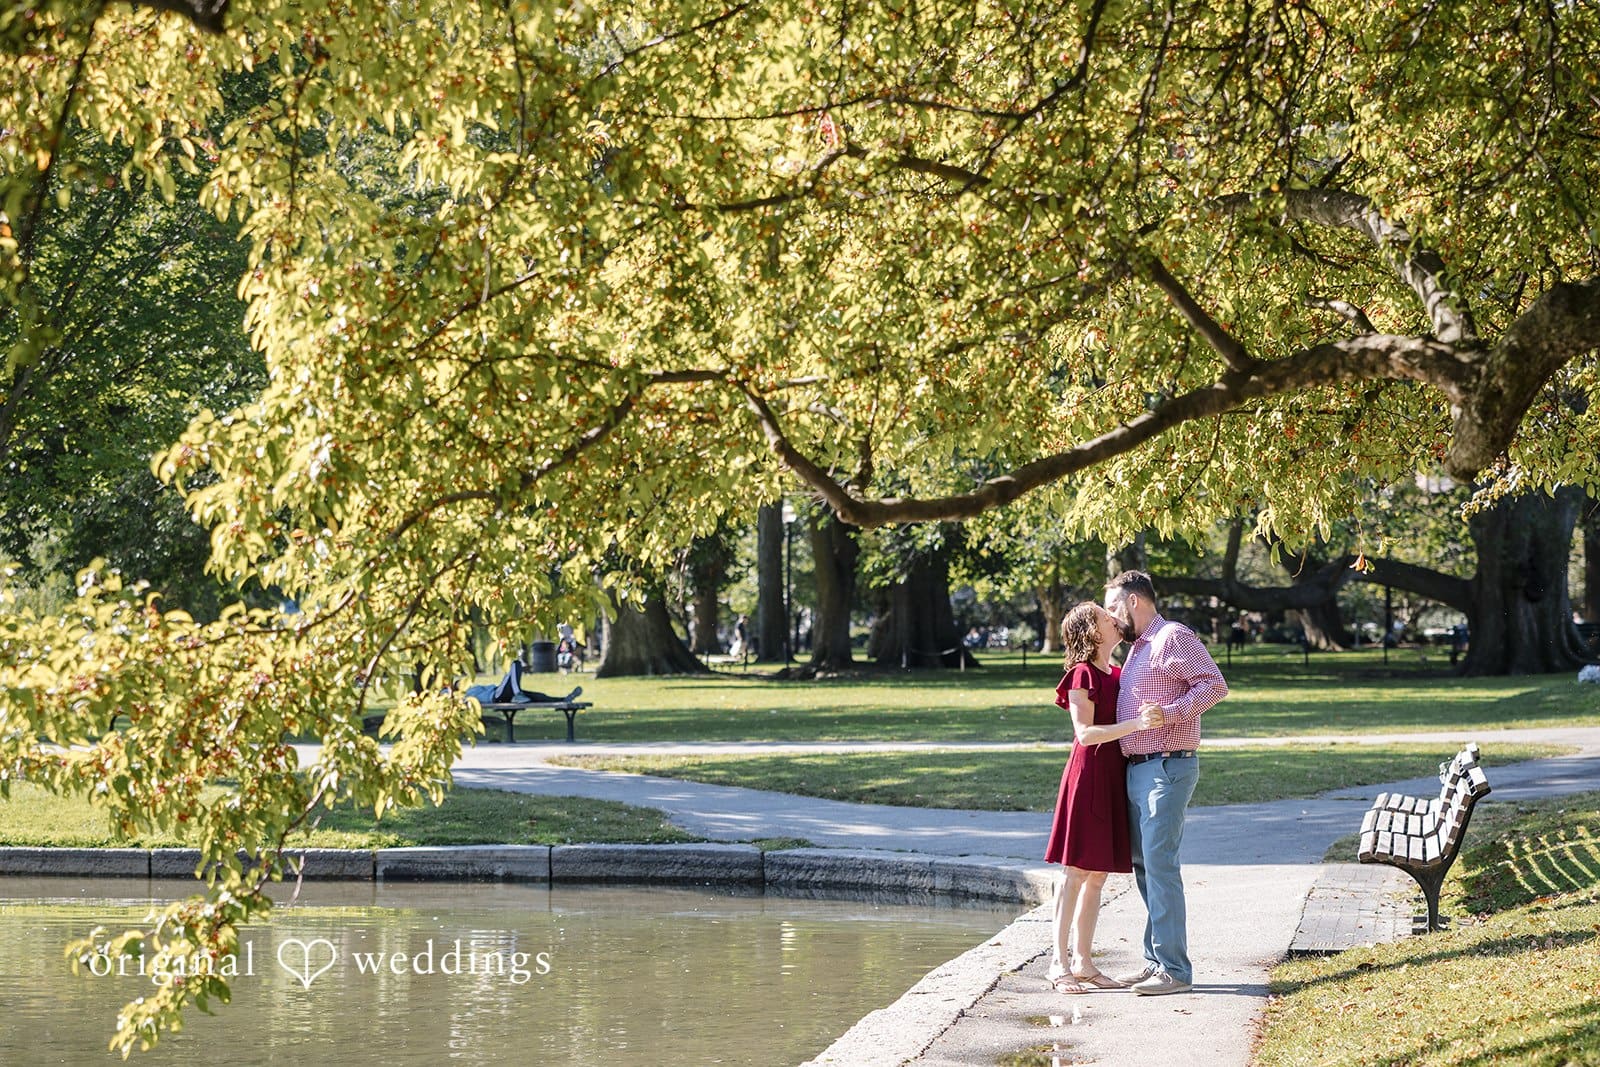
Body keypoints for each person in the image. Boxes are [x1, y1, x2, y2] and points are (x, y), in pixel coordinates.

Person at [1104, 569, 1229, 996]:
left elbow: (1214, 686)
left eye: (1113, 607)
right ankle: (1155, 960)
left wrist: (1172, 712)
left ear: (1133, 601)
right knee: (1145, 869)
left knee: (1160, 866)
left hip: (1166, 767)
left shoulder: (1171, 636)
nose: (1111, 615)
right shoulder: (1138, 647)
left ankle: (1175, 971)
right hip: (1138, 768)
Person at [1043, 602, 1165, 994]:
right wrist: (1135, 724)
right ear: (1092, 631)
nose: (1113, 618)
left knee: (1097, 876)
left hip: (1114, 777)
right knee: (1075, 871)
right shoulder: (1081, 673)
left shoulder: (1117, 672)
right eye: (1103, 615)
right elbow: (1085, 734)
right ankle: (1057, 963)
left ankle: (1084, 962)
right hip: (1087, 776)